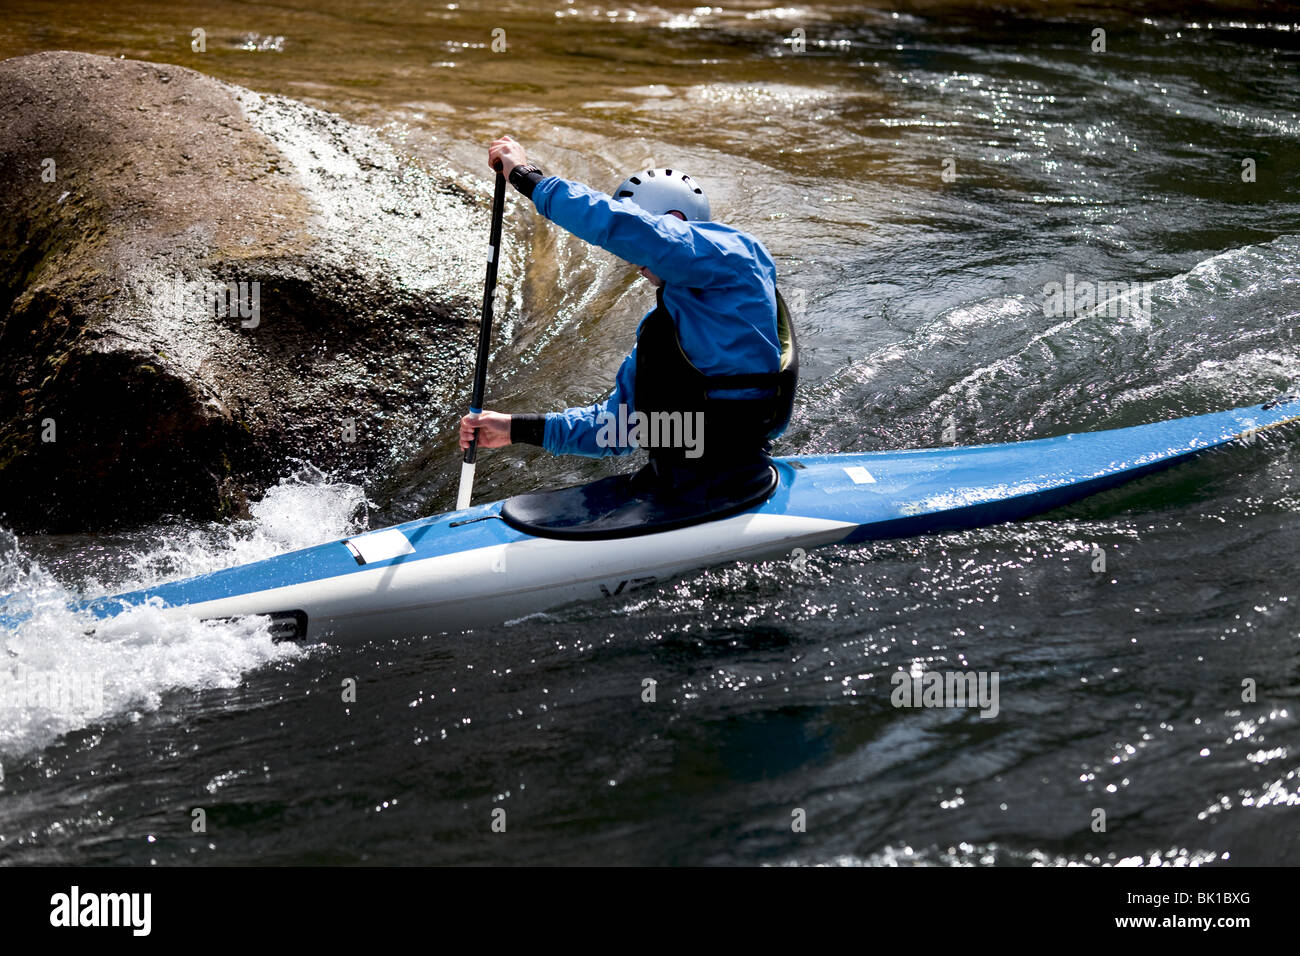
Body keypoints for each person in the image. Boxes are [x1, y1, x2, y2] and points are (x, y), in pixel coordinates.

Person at [459, 135, 797, 503]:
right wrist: (512, 429)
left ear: (675, 222)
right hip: (676, 484)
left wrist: (525, 176)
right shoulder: (666, 336)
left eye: (640, 244)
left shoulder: (737, 256)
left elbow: (623, 227)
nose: (633, 262)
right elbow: (620, 430)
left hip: (738, 478)